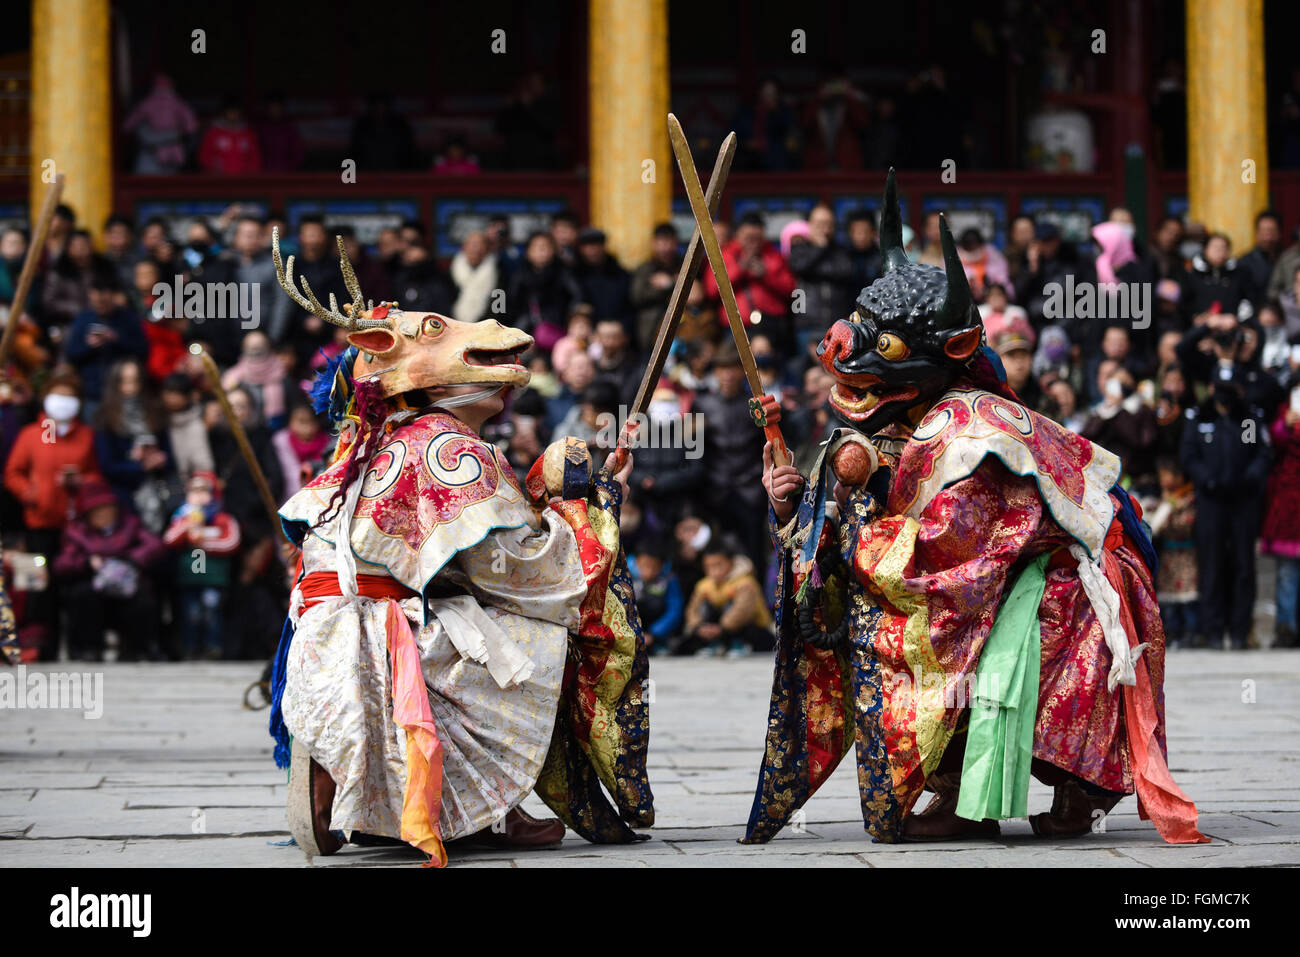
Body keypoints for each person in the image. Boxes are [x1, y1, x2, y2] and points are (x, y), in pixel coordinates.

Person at [747, 171, 1205, 848]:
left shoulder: (976, 434)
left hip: (1063, 584)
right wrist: (797, 508)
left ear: (948, 355)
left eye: (888, 347)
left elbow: (945, 559)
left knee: (929, 626)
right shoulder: (909, 419)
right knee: (912, 621)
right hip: (1003, 572)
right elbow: (863, 506)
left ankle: (1008, 790)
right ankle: (960, 786)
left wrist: (847, 538)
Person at [266, 229, 651, 865]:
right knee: (528, 638)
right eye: (440, 330)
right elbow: (519, 570)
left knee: (460, 617)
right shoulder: (450, 447)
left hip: (322, 626)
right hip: (384, 625)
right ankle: (485, 811)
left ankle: (360, 793)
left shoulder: (367, 445)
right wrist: (588, 507)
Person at [3, 370, 101, 659]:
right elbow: (13, 472)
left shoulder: (85, 436)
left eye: (70, 397)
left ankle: (81, 647)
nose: (64, 402)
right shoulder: (34, 434)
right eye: (59, 395)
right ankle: (42, 647)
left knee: (74, 586)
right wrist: (28, 492)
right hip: (38, 524)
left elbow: (95, 474)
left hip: (74, 527)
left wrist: (80, 482)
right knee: (38, 588)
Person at [1180, 372, 1272, 649]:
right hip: (1211, 502)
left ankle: (1240, 630)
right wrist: (1207, 478)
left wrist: (1251, 477)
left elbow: (1261, 454)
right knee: (1212, 565)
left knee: (1243, 566)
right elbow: (1189, 456)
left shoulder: (1248, 417)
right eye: (1219, 388)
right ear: (1210, 387)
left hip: (1243, 502)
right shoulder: (1199, 417)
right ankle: (1214, 631)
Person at [52, 479, 165, 661]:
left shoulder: (130, 524)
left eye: (107, 508)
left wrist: (131, 559)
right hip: (94, 586)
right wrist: (87, 563)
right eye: (98, 510)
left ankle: (139, 648)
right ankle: (90, 648)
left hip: (126, 585)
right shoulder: (77, 531)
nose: (104, 514)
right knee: (83, 595)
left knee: (143, 600)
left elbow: (155, 545)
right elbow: (62, 564)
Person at [162, 471, 241, 660]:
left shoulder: (222, 519)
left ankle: (213, 647)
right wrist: (187, 524)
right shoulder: (182, 517)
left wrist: (203, 543)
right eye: (194, 491)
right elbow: (169, 539)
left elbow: (231, 542)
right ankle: (189, 648)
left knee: (211, 611)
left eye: (203, 491)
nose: (198, 496)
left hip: (213, 578)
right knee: (190, 613)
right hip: (189, 578)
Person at [788, 203, 856, 355]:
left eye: (828, 224)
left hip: (837, 323)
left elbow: (845, 272)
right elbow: (800, 268)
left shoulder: (841, 250)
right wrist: (820, 248)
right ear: (810, 225)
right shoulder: (800, 248)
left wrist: (817, 268)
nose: (823, 228)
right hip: (807, 322)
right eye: (819, 224)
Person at [1261, 386, 1300, 647]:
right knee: (1287, 573)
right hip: (1289, 505)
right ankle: (1286, 628)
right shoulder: (1285, 413)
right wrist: (1286, 426)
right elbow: (1273, 439)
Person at [1148, 457, 1199, 649]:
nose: (1162, 480)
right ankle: (1172, 631)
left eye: (1166, 476)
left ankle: (1191, 632)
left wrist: (1169, 512)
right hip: (1169, 557)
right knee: (1169, 599)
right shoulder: (1163, 499)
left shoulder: (1188, 499)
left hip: (1185, 556)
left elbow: (1187, 523)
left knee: (1187, 597)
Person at [630, 223, 682, 351]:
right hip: (651, 330)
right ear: (653, 244)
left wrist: (670, 283)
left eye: (670, 242)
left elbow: (695, 293)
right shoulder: (645, 269)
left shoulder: (683, 266)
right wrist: (666, 288)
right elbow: (637, 296)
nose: (666, 248)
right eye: (661, 243)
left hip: (681, 328)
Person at [629, 539, 684, 656]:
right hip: (632, 628)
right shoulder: (625, 576)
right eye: (644, 566)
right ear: (636, 562)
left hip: (657, 630)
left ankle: (661, 643)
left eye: (654, 567)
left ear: (662, 565)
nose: (648, 572)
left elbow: (674, 610)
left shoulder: (669, 580)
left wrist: (654, 634)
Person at [198, 99, 262, 175]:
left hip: (243, 180)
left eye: (236, 112)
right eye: (230, 112)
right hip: (218, 180)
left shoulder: (248, 134)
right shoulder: (213, 133)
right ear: (224, 113)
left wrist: (250, 174)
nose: (233, 115)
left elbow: (255, 158)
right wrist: (212, 171)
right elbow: (205, 156)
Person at [449, 231, 498, 323]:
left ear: (487, 248)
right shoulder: (452, 271)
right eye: (472, 244)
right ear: (464, 247)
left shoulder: (498, 272)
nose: (476, 248)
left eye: (481, 244)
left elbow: (500, 306)